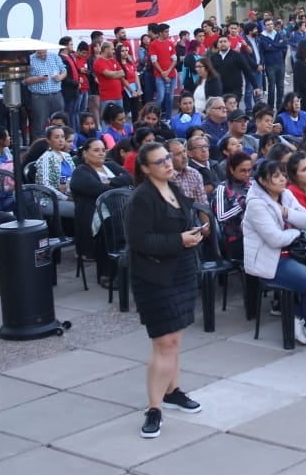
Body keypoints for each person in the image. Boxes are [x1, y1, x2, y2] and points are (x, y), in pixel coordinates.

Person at [125, 141, 207, 438]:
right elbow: (140, 242)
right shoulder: (142, 199)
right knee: (164, 342)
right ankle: (154, 407)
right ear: (145, 169)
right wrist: (179, 240)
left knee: (174, 338)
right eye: (159, 162)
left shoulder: (175, 189)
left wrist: (195, 234)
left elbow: (180, 227)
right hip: (154, 276)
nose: (168, 164)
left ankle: (172, 391)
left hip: (181, 269)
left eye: (168, 159)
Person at [242, 160, 306, 346]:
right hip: (272, 261)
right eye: (276, 176)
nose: (283, 179)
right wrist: (296, 232)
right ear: (263, 181)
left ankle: (298, 316)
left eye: (283, 174)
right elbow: (275, 239)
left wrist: (286, 213)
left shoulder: (286, 195)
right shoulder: (256, 205)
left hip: (296, 253)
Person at [70, 137, 133, 287]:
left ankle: (130, 264)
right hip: (94, 213)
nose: (101, 154)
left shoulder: (110, 165)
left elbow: (129, 178)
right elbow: (98, 189)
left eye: (103, 150)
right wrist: (119, 187)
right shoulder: (81, 172)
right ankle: (107, 273)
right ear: (85, 153)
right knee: (112, 224)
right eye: (96, 150)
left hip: (119, 207)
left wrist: (110, 181)